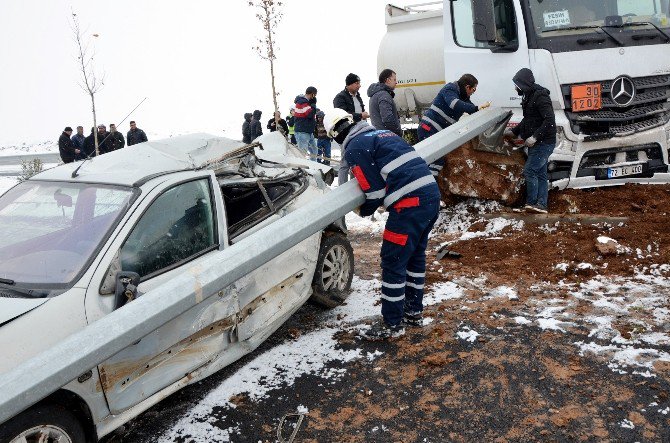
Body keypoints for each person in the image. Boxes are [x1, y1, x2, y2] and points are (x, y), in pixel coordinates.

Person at [325, 109, 441, 340]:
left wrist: (362, 210)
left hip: (410, 205)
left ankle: (392, 324)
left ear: (335, 134)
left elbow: (375, 191)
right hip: (430, 198)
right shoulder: (382, 134)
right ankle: (413, 312)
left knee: (393, 261)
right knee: (414, 258)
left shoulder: (356, 145)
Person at [504, 68, 556, 214]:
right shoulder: (528, 96)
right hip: (537, 143)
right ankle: (541, 205)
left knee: (530, 170)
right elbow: (528, 119)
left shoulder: (540, 97)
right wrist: (514, 132)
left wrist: (535, 137)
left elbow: (550, 120)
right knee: (540, 174)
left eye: (517, 85)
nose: (515, 88)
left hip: (544, 143)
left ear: (524, 83)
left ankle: (532, 203)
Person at [417, 74, 491, 177]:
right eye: (473, 90)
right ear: (467, 87)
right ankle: (428, 187)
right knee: (436, 161)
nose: (473, 93)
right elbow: (455, 104)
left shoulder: (463, 96)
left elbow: (470, 108)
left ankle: (426, 184)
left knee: (432, 160)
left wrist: (483, 112)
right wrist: (477, 108)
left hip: (435, 131)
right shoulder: (450, 89)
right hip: (428, 128)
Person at [334, 73, 370, 184]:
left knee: (358, 160)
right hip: (347, 133)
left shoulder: (357, 96)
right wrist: (360, 116)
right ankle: (342, 187)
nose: (359, 85)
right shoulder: (340, 98)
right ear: (349, 84)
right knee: (345, 162)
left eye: (359, 83)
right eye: (356, 83)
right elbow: (343, 115)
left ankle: (355, 185)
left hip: (360, 130)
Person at [367, 69, 402, 137]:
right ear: (388, 80)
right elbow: (387, 119)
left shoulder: (375, 94)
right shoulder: (383, 95)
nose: (396, 82)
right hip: (388, 137)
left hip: (380, 136)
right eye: (394, 80)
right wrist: (398, 132)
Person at [294, 86, 318, 160]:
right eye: (315, 95)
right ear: (312, 94)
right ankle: (301, 168)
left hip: (308, 131)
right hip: (302, 131)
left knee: (314, 150)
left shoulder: (306, 103)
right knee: (302, 153)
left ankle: (313, 167)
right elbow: (310, 114)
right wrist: (313, 105)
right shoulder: (302, 102)